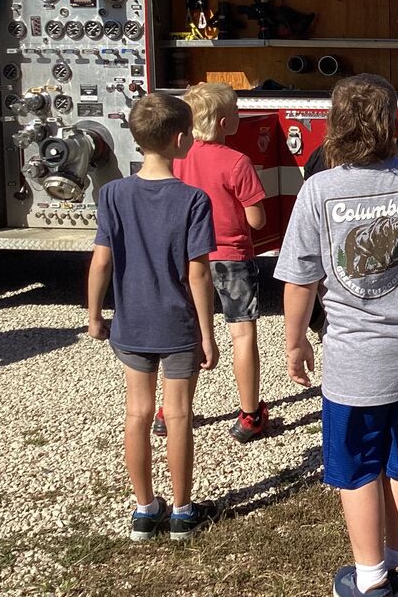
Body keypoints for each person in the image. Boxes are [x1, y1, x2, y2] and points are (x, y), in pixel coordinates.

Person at [276, 75, 398, 597]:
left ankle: (369, 578)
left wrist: (295, 340)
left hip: (355, 362)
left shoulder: (319, 190)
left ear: (334, 126)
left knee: (357, 463)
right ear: (394, 124)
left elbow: (300, 279)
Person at [86, 92, 220, 542]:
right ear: (181, 139)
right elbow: (197, 274)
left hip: (132, 323)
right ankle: (183, 510)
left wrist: (93, 315)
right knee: (178, 415)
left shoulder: (113, 194)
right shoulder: (192, 200)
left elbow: (101, 261)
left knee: (137, 413)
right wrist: (208, 333)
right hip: (178, 324)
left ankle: (144, 509)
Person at [171, 82, 269, 442]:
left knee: (191, 330)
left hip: (188, 256)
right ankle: (249, 414)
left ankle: (173, 410)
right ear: (226, 121)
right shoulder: (237, 162)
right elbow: (256, 219)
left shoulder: (179, 158)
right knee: (241, 332)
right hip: (231, 256)